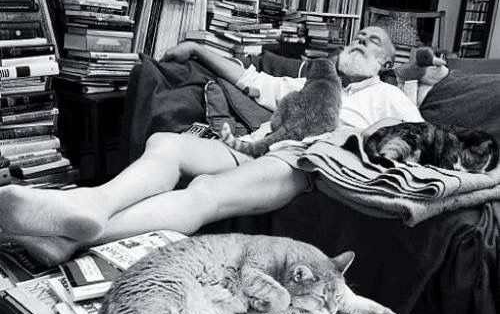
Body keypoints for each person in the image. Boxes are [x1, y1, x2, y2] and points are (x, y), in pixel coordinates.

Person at [0, 26, 425, 265]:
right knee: (167, 142)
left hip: (305, 162)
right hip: (258, 146)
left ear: (387, 63)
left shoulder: (391, 98)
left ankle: (74, 238)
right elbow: (249, 81)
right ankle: (92, 205)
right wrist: (197, 49)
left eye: (371, 41)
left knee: (204, 191)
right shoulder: (307, 83)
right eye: (356, 37)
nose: (357, 42)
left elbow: (420, 143)